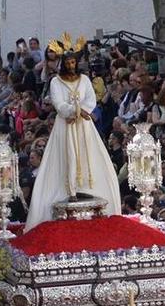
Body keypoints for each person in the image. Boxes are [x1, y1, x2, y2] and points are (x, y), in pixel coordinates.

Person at [24, 40, 122, 231]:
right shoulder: (55, 81)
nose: (71, 65)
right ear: (63, 63)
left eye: (73, 62)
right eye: (67, 63)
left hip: (84, 127)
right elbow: (59, 105)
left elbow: (91, 100)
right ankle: (69, 189)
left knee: (88, 156)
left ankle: (85, 187)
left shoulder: (84, 80)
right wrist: (77, 111)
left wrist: (80, 111)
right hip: (65, 126)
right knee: (66, 155)